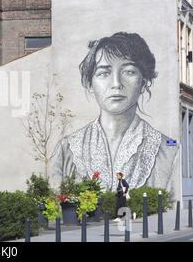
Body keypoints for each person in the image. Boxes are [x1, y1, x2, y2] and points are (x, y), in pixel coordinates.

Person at [50, 32, 179, 193]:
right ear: (90, 85)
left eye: (129, 72)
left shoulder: (169, 152)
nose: (116, 84)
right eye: (104, 73)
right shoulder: (67, 149)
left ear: (144, 83)